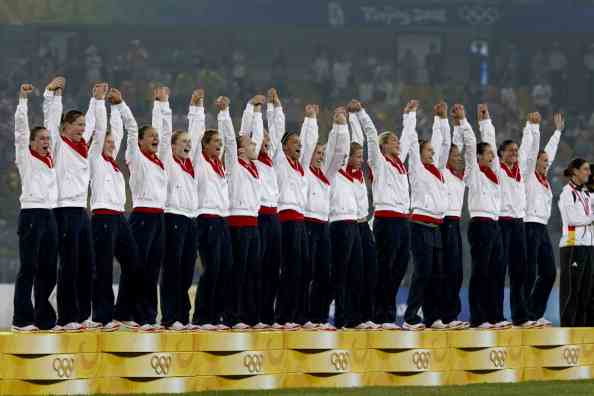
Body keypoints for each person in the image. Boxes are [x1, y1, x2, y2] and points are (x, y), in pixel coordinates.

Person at [355, 97, 414, 329]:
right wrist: (361, 114)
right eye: (394, 141)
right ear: (383, 146)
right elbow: (371, 135)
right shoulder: (378, 163)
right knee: (383, 269)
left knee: (398, 269)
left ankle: (387, 315)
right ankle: (377, 315)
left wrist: (409, 116)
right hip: (385, 220)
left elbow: (409, 138)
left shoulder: (400, 163)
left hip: (402, 221)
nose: (399, 143)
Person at [43, 76, 95, 331]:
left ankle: (83, 314)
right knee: (69, 263)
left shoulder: (83, 145)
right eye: (77, 124)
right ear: (65, 126)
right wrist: (53, 95)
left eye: (84, 124)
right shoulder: (58, 143)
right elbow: (50, 121)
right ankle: (66, 317)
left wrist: (97, 101)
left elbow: (95, 123)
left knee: (87, 263)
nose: (82, 128)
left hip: (81, 209)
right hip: (63, 209)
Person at [88, 85, 141, 331]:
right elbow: (101, 130)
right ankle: (101, 316)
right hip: (102, 216)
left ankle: (122, 312)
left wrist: (119, 106)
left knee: (133, 262)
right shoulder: (95, 158)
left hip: (119, 217)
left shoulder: (113, 164)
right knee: (103, 267)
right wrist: (99, 102)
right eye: (107, 141)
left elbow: (122, 129)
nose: (110, 144)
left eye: (112, 142)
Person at [401, 101, 452, 331]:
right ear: (420, 155)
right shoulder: (417, 169)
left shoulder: (438, 171)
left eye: (433, 151)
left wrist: (441, 120)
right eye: (428, 151)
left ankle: (433, 317)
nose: (433, 154)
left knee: (437, 275)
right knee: (422, 272)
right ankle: (410, 317)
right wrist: (410, 116)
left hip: (436, 227)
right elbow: (411, 143)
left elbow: (444, 144)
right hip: (420, 224)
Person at [486, 105, 538, 328]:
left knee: (520, 272)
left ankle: (520, 316)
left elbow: (530, 151)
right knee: (499, 270)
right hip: (502, 224)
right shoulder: (497, 170)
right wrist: (486, 121)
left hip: (519, 225)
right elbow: (488, 138)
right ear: (500, 154)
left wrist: (532, 127)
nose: (515, 154)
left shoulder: (521, 173)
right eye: (510, 151)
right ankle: (495, 316)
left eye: (515, 151)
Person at [12, 83, 59, 332]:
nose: (46, 141)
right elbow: (20, 131)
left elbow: (52, 124)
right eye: (41, 138)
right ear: (30, 143)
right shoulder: (25, 157)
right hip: (31, 213)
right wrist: (22, 100)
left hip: (49, 214)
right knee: (28, 267)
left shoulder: (50, 159)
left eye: (48, 138)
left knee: (49, 268)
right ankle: (22, 319)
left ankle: (43, 317)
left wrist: (52, 96)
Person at [154, 88, 200, 331]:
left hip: (191, 218)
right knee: (171, 268)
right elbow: (161, 132)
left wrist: (196, 109)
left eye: (189, 143)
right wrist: (163, 105)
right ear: (171, 146)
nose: (187, 145)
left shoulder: (191, 165)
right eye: (183, 142)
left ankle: (183, 315)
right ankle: (169, 317)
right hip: (173, 216)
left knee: (186, 269)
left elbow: (198, 132)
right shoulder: (168, 160)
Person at [125, 86, 168, 331]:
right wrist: (157, 104)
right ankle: (135, 315)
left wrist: (163, 105)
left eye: (156, 136)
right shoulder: (136, 158)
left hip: (158, 217)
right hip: (141, 215)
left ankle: (149, 316)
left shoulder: (158, 161)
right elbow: (132, 133)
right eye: (150, 135)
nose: (155, 138)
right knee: (139, 267)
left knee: (153, 269)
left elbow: (161, 130)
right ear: (139, 141)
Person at [221, 95, 265, 330]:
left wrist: (257, 111)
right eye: (250, 144)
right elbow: (231, 137)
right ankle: (232, 316)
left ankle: (250, 316)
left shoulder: (253, 166)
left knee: (252, 272)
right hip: (237, 223)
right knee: (237, 272)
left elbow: (250, 135)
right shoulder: (234, 164)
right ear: (240, 149)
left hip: (253, 223)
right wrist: (228, 112)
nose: (255, 145)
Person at [189, 92, 233, 331]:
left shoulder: (219, 165)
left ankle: (216, 316)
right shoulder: (200, 161)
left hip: (222, 220)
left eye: (220, 142)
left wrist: (224, 114)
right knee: (212, 268)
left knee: (225, 269)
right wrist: (198, 108)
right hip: (206, 219)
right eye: (215, 142)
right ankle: (202, 317)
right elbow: (196, 134)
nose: (219, 144)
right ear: (205, 145)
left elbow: (229, 138)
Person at [303, 107, 349, 329]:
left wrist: (339, 126)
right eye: (317, 153)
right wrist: (311, 120)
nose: (321, 157)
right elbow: (308, 142)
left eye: (322, 153)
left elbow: (339, 152)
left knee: (324, 274)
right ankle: (303, 317)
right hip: (306, 224)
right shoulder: (302, 171)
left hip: (323, 226)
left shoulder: (327, 174)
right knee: (306, 272)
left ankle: (319, 317)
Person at [458, 104, 503, 329]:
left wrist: (486, 122)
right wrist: (466, 122)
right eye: (489, 155)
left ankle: (494, 315)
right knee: (481, 271)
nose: (493, 157)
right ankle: (477, 317)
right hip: (480, 224)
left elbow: (490, 143)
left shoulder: (495, 175)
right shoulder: (473, 172)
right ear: (479, 157)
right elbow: (469, 146)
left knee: (496, 271)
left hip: (494, 225)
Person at [274, 105, 315, 330]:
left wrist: (310, 120)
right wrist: (276, 108)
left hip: (301, 220)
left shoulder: (301, 167)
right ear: (284, 147)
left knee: (304, 269)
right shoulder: (280, 163)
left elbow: (309, 142)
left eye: (299, 142)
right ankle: (283, 316)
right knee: (290, 268)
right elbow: (280, 128)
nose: (299, 145)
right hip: (286, 219)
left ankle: (300, 315)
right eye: (294, 142)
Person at [524, 113, 564, 327]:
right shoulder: (529, 175)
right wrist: (534, 128)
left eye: (548, 162)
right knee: (529, 272)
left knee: (548, 272)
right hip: (528, 226)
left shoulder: (545, 180)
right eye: (544, 160)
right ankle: (525, 314)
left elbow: (551, 152)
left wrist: (558, 131)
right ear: (535, 162)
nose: (547, 163)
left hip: (542, 228)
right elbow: (535, 152)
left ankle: (535, 312)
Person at [348, 101, 378, 329]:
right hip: (350, 226)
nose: (361, 159)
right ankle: (353, 317)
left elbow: (362, 140)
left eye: (361, 156)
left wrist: (356, 115)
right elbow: (353, 142)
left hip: (364, 225)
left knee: (370, 271)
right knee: (354, 274)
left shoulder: (360, 174)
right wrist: (351, 118)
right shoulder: (342, 171)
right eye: (357, 156)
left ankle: (367, 316)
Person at [256, 88, 283, 327]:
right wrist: (256, 111)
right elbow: (256, 134)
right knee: (258, 268)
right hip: (257, 216)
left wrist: (275, 108)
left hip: (274, 216)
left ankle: (267, 314)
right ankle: (252, 314)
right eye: (261, 139)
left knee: (273, 269)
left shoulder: (272, 161)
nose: (266, 142)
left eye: (267, 140)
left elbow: (277, 132)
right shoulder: (252, 161)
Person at [440, 116, 469, 330]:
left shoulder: (460, 177)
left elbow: (461, 147)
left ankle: (452, 315)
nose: (459, 158)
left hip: (456, 224)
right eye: (455, 155)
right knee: (446, 270)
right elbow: (445, 145)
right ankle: (443, 315)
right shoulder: (441, 172)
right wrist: (449, 124)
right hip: (443, 222)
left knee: (457, 272)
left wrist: (460, 124)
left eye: (459, 155)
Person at [558, 159, 594, 327]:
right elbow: (572, 219)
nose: (589, 172)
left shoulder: (586, 193)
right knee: (571, 291)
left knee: (587, 290)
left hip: (588, 245)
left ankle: (583, 329)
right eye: (585, 169)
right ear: (575, 171)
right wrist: (591, 219)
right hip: (572, 245)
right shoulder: (567, 193)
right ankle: (568, 328)